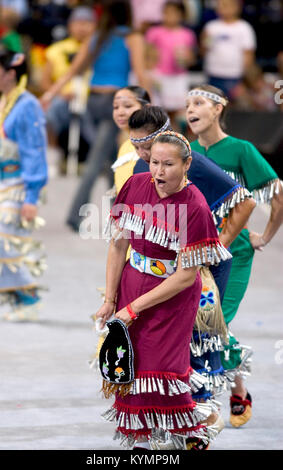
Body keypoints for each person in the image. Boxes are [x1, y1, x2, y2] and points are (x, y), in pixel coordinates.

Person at [96, 130, 233, 450]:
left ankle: (196, 428)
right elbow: (118, 245)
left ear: (187, 165)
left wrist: (133, 309)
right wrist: (110, 300)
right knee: (134, 364)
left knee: (165, 368)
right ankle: (142, 438)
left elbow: (186, 276)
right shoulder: (135, 184)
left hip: (172, 297)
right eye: (154, 162)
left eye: (168, 164)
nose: (158, 171)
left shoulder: (195, 205)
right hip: (132, 282)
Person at [186, 84, 283, 427]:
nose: (190, 109)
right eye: (187, 104)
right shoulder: (187, 153)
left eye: (198, 102)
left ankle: (216, 397)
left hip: (233, 252)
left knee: (216, 322)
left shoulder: (241, 150)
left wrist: (265, 237)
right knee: (200, 322)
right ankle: (232, 386)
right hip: (195, 253)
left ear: (218, 108)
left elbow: (277, 194)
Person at [40, 0, 150, 233]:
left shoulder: (97, 37)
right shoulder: (132, 37)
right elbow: (140, 73)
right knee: (96, 161)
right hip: (116, 101)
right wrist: (150, 105)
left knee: (111, 157)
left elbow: (72, 71)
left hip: (93, 101)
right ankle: (74, 215)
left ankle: (117, 213)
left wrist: (50, 94)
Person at [0, 48, 48, 322]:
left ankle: (28, 296)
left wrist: (31, 196)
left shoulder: (27, 105)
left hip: (19, 184)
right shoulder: (0, 106)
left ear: (11, 74)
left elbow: (34, 150)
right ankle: (18, 297)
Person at [41, 6, 97, 176]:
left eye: (87, 23)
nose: (82, 27)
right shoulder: (56, 50)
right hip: (63, 99)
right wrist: (60, 94)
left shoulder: (99, 49)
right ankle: (52, 159)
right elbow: (44, 82)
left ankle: (98, 160)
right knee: (49, 112)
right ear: (70, 25)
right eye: (78, 23)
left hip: (91, 99)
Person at [145, 1, 197, 127]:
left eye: (174, 13)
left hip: (178, 78)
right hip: (159, 76)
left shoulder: (187, 34)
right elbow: (147, 54)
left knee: (177, 113)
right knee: (159, 113)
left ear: (182, 15)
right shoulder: (154, 32)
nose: (170, 16)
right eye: (167, 13)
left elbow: (191, 58)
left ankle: (176, 140)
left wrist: (186, 59)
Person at [200, 0, 256, 97]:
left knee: (234, 109)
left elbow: (248, 55)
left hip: (235, 76)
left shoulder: (244, 28)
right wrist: (204, 41)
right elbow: (203, 51)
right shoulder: (211, 27)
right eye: (220, 5)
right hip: (213, 75)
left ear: (237, 8)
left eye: (226, 5)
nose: (222, 8)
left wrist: (244, 80)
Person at [111, 86, 151, 195]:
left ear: (146, 108)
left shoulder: (156, 144)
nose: (120, 112)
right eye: (115, 107)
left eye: (127, 106)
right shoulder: (124, 146)